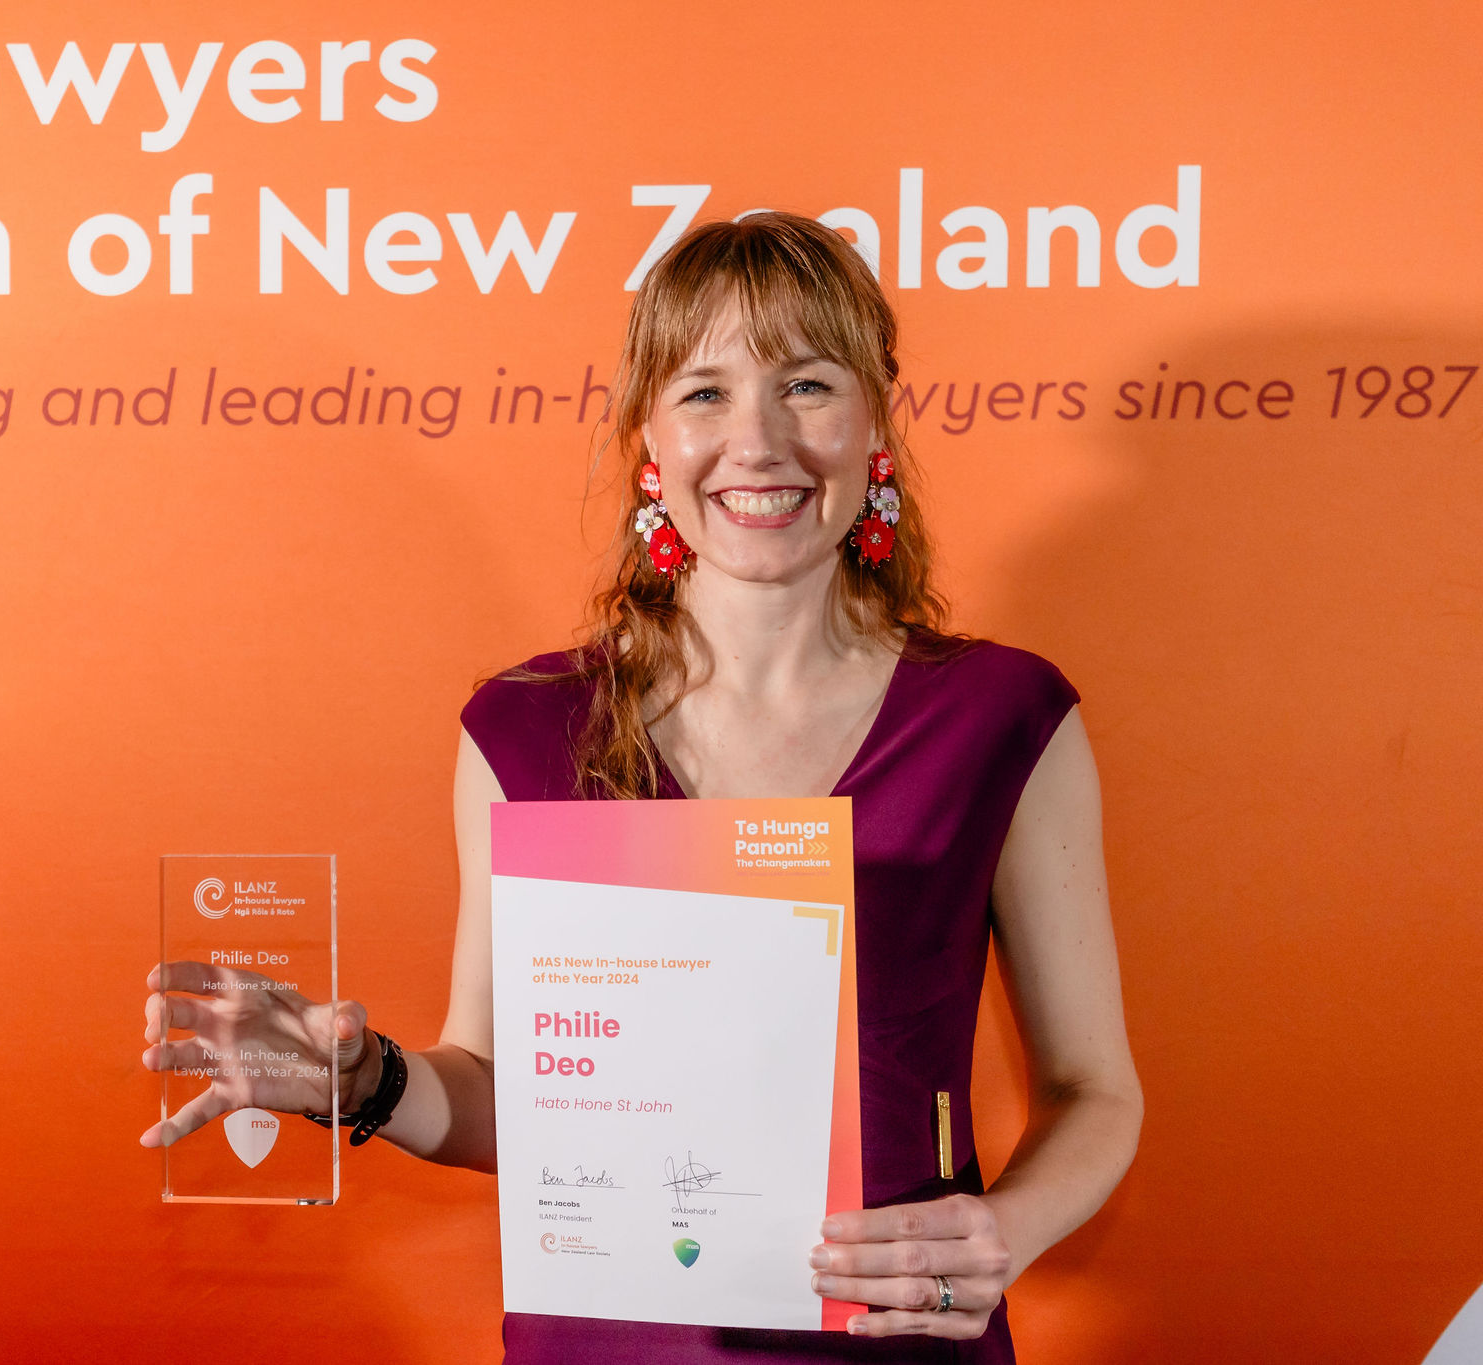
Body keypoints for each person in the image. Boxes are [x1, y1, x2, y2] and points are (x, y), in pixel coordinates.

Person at [140, 211, 1143, 1361]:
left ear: (875, 421)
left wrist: (1002, 1232)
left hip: (894, 1340)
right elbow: (504, 1097)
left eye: (806, 385)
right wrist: (360, 1080)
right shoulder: (522, 728)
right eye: (704, 392)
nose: (756, 441)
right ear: (647, 443)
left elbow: (1093, 1090)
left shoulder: (999, 717)